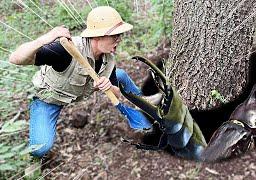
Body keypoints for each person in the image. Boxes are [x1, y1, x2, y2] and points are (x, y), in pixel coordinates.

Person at [9, 6, 159, 159]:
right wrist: (46, 38)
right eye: (115, 36)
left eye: (120, 35)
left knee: (120, 75)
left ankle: (145, 101)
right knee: (40, 148)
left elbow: (116, 94)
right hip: (49, 98)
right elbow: (15, 58)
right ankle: (34, 161)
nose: (119, 39)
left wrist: (109, 86)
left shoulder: (109, 58)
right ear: (98, 36)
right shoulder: (66, 49)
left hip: (80, 91)